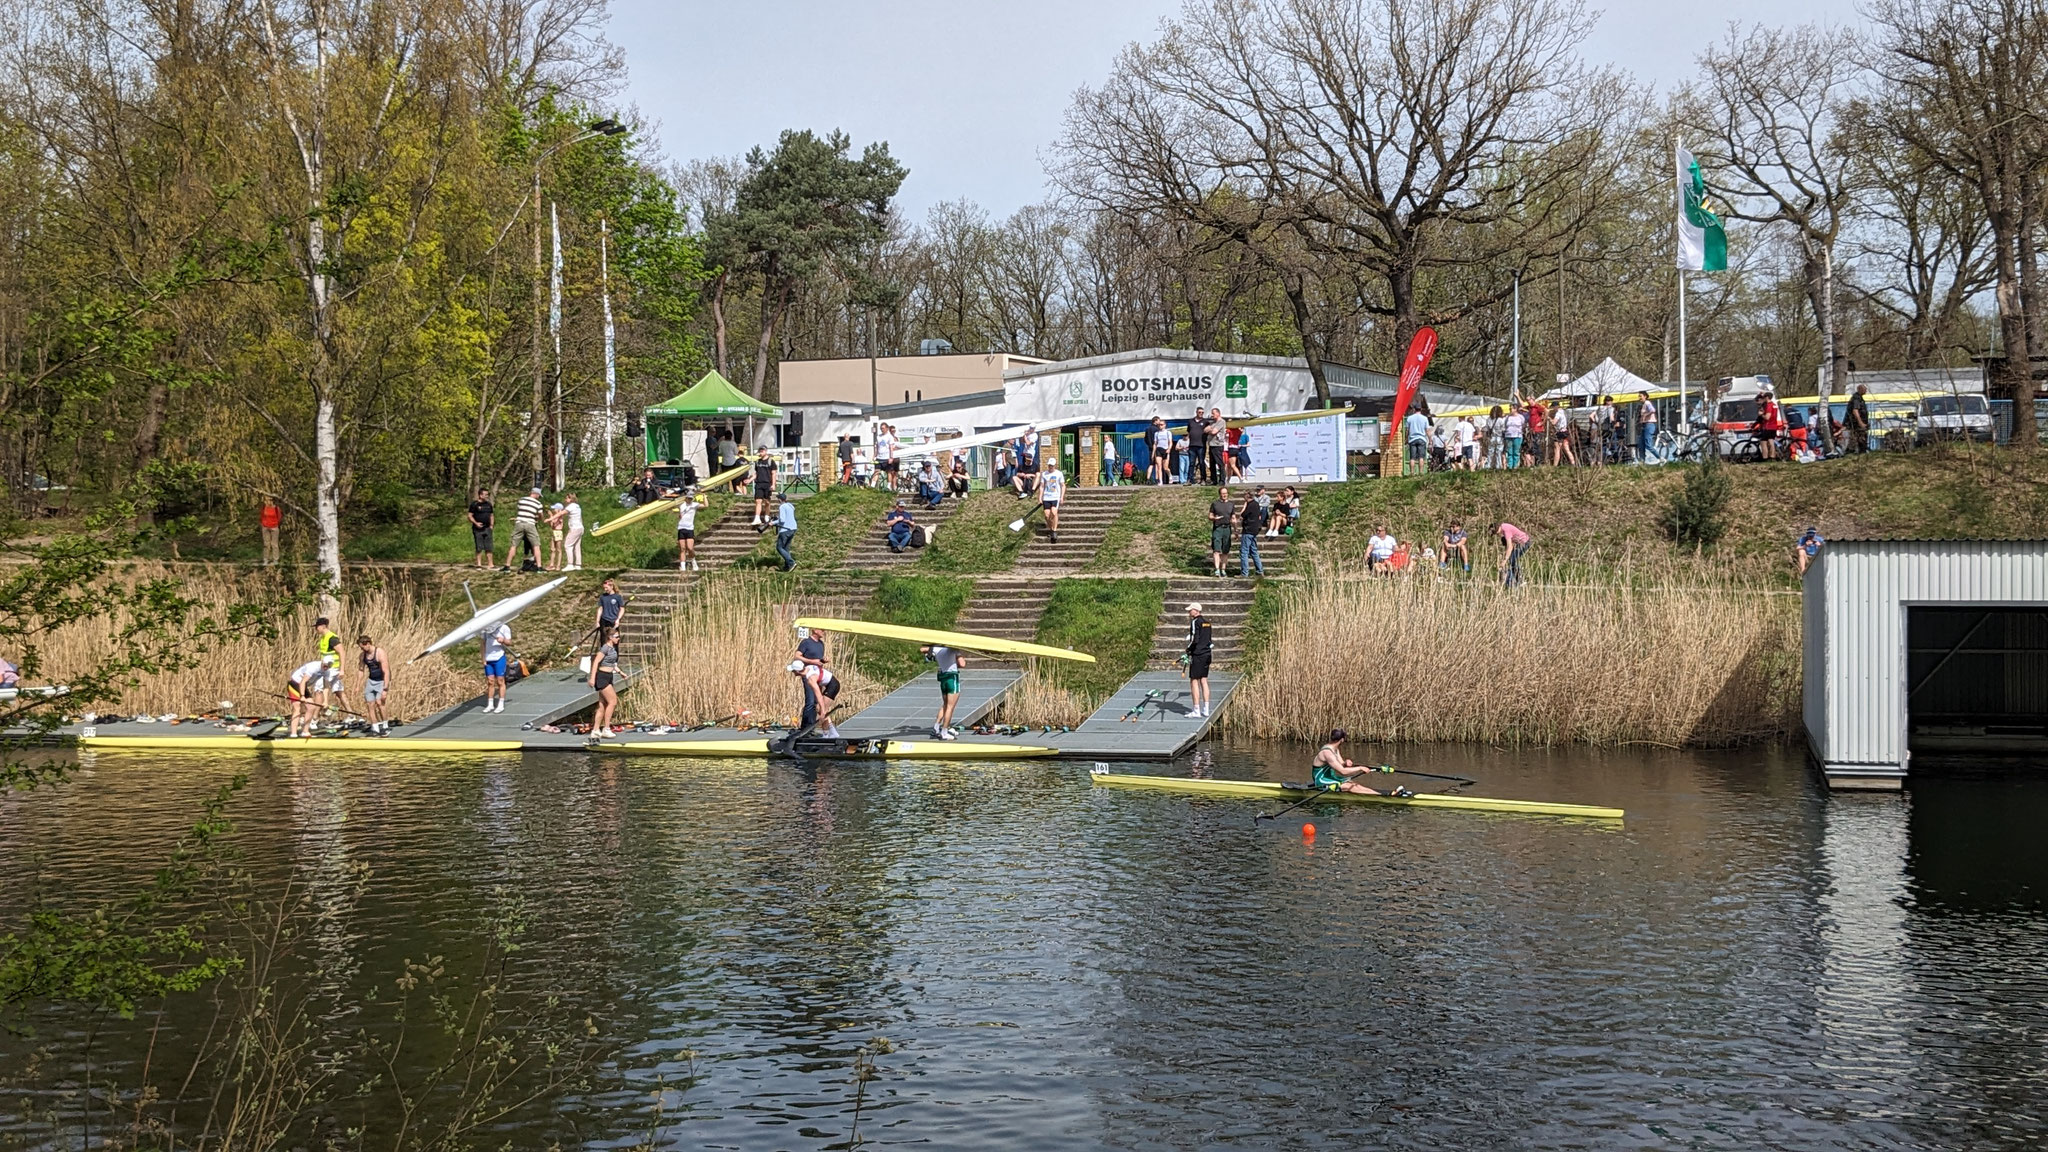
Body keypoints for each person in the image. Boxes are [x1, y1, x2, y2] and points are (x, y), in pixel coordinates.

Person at [1311, 730, 1407, 796]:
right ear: (1342, 739)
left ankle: (1382, 795)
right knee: (1350, 787)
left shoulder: (1334, 749)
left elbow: (1342, 765)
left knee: (1354, 784)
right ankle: (1385, 797)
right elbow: (1343, 771)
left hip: (1330, 778)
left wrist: (1345, 762)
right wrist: (1360, 768)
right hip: (1321, 781)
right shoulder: (1327, 753)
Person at [789, 657, 843, 738]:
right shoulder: (808, 667)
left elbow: (819, 696)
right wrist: (823, 660)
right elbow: (819, 664)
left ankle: (827, 734)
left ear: (797, 671)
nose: (792, 672)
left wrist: (823, 711)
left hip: (833, 686)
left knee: (820, 709)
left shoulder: (810, 679)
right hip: (830, 684)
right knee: (820, 709)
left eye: (793, 671)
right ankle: (831, 732)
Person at [923, 643, 964, 740]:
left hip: (943, 677)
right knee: (950, 707)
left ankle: (936, 728)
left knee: (945, 705)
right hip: (952, 677)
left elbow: (923, 649)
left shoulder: (936, 649)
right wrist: (959, 654)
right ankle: (944, 732)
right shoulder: (952, 649)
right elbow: (962, 664)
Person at [587, 627, 622, 737]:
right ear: (610, 638)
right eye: (616, 637)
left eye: (619, 636)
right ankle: (606, 729)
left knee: (602, 705)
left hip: (609, 676)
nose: (618, 639)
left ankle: (595, 730)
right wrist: (592, 678)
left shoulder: (613, 649)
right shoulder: (605, 648)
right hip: (602, 677)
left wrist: (620, 672)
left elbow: (611, 664)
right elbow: (596, 662)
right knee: (613, 702)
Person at [1183, 603, 1214, 718]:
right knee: (1204, 680)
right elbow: (1208, 639)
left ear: (1196, 611)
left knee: (1194, 681)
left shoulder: (1195, 622)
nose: (1189, 612)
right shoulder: (1207, 623)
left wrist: (1188, 650)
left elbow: (1195, 640)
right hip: (1207, 654)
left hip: (1198, 655)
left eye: (1190, 610)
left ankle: (1196, 710)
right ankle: (1206, 709)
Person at [357, 634, 391, 734]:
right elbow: (360, 670)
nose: (362, 650)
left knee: (380, 703)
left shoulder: (380, 653)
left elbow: (386, 671)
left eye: (363, 647)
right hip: (371, 681)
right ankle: (375, 727)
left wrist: (385, 689)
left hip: (381, 681)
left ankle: (385, 725)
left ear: (367, 644)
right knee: (370, 704)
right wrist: (357, 685)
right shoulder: (363, 655)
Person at [286, 656, 328, 737]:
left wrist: (325, 701)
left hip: (303, 686)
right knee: (297, 707)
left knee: (311, 707)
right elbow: (303, 681)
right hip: (294, 683)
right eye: (325, 665)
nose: (326, 668)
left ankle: (305, 731)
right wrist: (302, 696)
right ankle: (293, 733)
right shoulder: (313, 667)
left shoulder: (327, 671)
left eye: (328, 666)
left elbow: (326, 687)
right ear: (322, 662)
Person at [505, 487, 544, 571]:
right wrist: (537, 518)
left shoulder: (521, 500)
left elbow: (520, 509)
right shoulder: (538, 504)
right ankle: (539, 566)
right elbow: (541, 515)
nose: (539, 497)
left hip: (519, 523)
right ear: (536, 494)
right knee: (536, 545)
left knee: (514, 545)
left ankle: (507, 566)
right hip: (530, 524)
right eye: (539, 495)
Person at [480, 619, 511, 713]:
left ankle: (500, 704)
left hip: (499, 657)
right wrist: (483, 658)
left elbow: (509, 642)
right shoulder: (484, 630)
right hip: (489, 658)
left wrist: (503, 640)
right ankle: (490, 704)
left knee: (500, 681)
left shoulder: (504, 628)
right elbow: (483, 644)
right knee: (490, 681)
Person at [675, 486, 707, 570]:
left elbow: (705, 505)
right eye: (688, 498)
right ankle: (682, 567)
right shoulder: (682, 505)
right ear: (685, 498)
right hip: (681, 528)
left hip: (689, 528)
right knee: (682, 548)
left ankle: (693, 561)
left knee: (690, 548)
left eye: (691, 499)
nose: (689, 500)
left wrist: (704, 496)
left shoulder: (694, 505)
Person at [1237, 488, 1267, 577]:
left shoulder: (1250, 505)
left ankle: (1244, 573)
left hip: (1248, 529)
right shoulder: (1256, 504)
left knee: (1244, 551)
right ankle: (1259, 570)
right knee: (1253, 550)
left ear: (1247, 496)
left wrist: (1245, 505)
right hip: (1254, 530)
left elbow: (1242, 515)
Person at [1208, 486, 1234, 578]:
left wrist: (1236, 528)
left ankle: (1223, 569)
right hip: (1218, 528)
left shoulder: (1231, 504)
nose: (1224, 495)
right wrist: (1215, 518)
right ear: (1220, 494)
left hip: (1227, 528)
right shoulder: (1215, 504)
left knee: (1225, 550)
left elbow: (1233, 517)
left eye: (1226, 493)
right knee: (1216, 550)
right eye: (1223, 493)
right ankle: (1217, 569)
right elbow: (1210, 516)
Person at [1497, 521, 1531, 588]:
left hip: (1524, 543)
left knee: (1512, 560)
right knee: (1511, 560)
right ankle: (1512, 580)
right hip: (1518, 543)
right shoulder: (1503, 527)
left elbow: (1510, 547)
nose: (1497, 534)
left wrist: (1504, 560)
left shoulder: (1506, 530)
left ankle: (1520, 579)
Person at [467, 488, 495, 569]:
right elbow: (469, 516)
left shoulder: (489, 504)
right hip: (477, 529)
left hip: (487, 528)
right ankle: (479, 564)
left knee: (489, 546)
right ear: (480, 495)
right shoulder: (474, 504)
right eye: (485, 494)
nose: (487, 496)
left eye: (487, 494)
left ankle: (490, 564)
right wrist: (475, 523)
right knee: (479, 547)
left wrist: (491, 525)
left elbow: (491, 515)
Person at [1039, 464, 1066, 543]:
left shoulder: (1059, 474)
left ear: (1055, 466)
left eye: (1052, 466)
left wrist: (1061, 497)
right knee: (1047, 515)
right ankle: (1051, 528)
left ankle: (1054, 530)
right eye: (1049, 466)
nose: (1051, 467)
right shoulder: (1044, 474)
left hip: (1055, 497)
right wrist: (1040, 497)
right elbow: (1042, 486)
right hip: (1046, 497)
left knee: (1053, 513)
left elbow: (1063, 485)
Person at [751, 450, 777, 529]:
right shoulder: (757, 462)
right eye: (760, 451)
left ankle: (766, 515)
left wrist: (773, 484)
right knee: (758, 501)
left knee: (767, 501)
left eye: (762, 451)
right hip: (759, 484)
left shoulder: (771, 462)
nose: (760, 452)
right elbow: (756, 473)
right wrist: (750, 480)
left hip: (767, 484)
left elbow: (774, 473)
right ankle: (757, 518)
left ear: (766, 451)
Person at [595, 577, 626, 642]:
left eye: (606, 588)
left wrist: (618, 619)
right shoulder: (603, 597)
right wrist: (597, 622)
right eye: (604, 588)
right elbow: (600, 609)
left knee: (614, 640)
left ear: (611, 587)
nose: (605, 589)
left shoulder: (617, 597)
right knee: (604, 640)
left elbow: (622, 609)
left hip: (613, 620)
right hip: (604, 620)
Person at [774, 491, 797, 571]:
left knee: (779, 547)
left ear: (780, 499)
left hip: (785, 530)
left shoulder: (782, 506)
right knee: (786, 548)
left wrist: (772, 523)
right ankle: (787, 567)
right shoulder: (790, 506)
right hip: (793, 528)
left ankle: (791, 562)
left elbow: (782, 520)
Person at [1204, 408, 1229, 485]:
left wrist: (1210, 429)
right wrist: (1210, 428)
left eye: (1213, 413)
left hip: (1218, 445)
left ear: (1218, 413)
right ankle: (1214, 480)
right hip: (1211, 445)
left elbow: (1214, 432)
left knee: (1219, 463)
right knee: (1212, 464)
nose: (1212, 415)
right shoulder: (1213, 423)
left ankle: (1222, 480)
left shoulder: (1221, 422)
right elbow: (1205, 430)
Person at [561, 493, 584, 570]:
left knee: (568, 545)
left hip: (575, 528)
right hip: (580, 527)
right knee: (577, 546)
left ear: (571, 499)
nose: (565, 499)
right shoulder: (578, 506)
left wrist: (551, 519)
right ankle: (578, 564)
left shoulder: (571, 506)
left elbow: (561, 513)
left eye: (567, 498)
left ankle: (570, 564)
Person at [1846, 384, 1871, 454]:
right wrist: (1860, 423)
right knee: (1860, 438)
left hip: (1860, 423)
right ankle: (1856, 452)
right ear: (1860, 390)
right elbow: (1855, 411)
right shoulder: (1856, 399)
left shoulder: (1859, 398)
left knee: (1858, 439)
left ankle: (1859, 451)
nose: (1866, 390)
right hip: (1857, 424)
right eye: (1864, 389)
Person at [1404, 406, 1429, 473]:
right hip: (1422, 439)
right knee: (1421, 457)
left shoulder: (1409, 418)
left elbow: (1407, 430)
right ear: (1421, 409)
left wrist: (1406, 439)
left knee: (1412, 458)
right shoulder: (1425, 418)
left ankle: (1412, 473)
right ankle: (1421, 472)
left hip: (1412, 439)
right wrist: (1430, 439)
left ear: (1414, 409)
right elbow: (1427, 430)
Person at [1186, 407, 1208, 484]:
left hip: (1201, 445)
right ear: (1196, 412)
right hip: (1192, 445)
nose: (1201, 414)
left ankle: (1203, 479)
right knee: (1191, 463)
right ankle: (1189, 479)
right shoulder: (1191, 421)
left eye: (1202, 412)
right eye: (1199, 412)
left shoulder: (1205, 422)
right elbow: (1188, 431)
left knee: (1202, 462)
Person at [1149, 416, 1172, 484]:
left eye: (1161, 425)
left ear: (1165, 425)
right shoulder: (1156, 433)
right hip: (1158, 450)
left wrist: (1169, 449)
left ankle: (1170, 475)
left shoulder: (1168, 432)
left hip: (1165, 450)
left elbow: (1170, 442)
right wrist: (1153, 453)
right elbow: (1155, 444)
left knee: (1165, 468)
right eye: (1159, 425)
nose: (1160, 426)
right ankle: (1160, 481)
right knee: (1159, 466)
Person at [1503, 404, 1527, 469]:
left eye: (1511, 409)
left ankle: (1515, 466)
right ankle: (1510, 466)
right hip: (1508, 436)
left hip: (1517, 436)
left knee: (1516, 451)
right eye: (1510, 409)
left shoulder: (1520, 417)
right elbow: (1505, 425)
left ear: (1515, 409)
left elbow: (1523, 425)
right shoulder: (1507, 417)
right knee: (1509, 452)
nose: (1510, 410)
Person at [1524, 401, 1547, 467]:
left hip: (1538, 430)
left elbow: (1546, 411)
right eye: (1528, 401)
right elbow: (1523, 404)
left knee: (1538, 446)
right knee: (1533, 446)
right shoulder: (1530, 408)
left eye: (1530, 400)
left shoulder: (1538, 407)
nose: (1529, 402)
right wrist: (1517, 396)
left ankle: (1540, 463)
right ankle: (1534, 463)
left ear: (1533, 400)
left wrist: (1543, 422)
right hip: (1532, 430)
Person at [260, 498, 282, 565]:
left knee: (274, 544)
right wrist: (263, 523)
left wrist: (275, 523)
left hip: (274, 527)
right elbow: (261, 516)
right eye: (266, 500)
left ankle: (275, 559)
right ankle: (266, 559)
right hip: (265, 527)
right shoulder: (264, 508)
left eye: (269, 500)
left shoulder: (276, 508)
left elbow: (279, 517)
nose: (267, 502)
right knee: (266, 544)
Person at [546, 502, 567, 570]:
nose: (553, 510)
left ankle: (558, 565)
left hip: (558, 532)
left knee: (559, 549)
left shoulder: (559, 516)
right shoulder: (555, 516)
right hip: (554, 532)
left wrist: (551, 515)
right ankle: (552, 565)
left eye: (555, 509)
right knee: (553, 549)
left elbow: (554, 521)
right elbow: (552, 525)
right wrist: (551, 518)